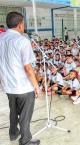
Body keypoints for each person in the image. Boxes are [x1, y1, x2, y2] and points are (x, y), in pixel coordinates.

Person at [0, 12, 40, 145]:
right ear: (20, 25)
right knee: (25, 114)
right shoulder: (23, 40)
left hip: (7, 84)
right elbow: (28, 68)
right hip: (23, 86)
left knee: (13, 110)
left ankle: (13, 133)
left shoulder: (1, 38)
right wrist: (36, 85)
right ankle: (26, 140)